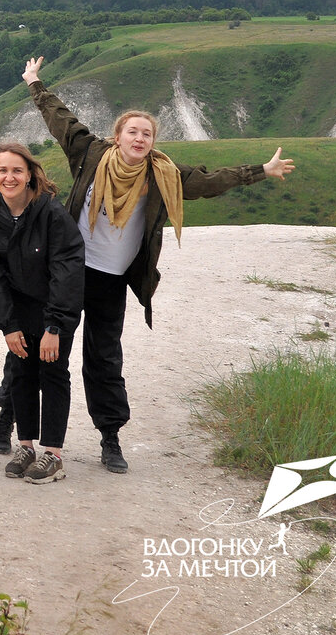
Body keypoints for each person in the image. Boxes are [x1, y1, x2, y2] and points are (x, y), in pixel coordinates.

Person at [20, 55, 295, 473]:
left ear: (152, 141)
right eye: (132, 131)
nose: (140, 138)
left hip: (111, 281)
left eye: (147, 133)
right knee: (47, 348)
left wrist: (261, 170)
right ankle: (15, 417)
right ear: (117, 137)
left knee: (105, 360)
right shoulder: (91, 153)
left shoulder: (163, 174)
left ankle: (110, 438)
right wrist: (35, 83)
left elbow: (209, 181)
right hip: (69, 273)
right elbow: (62, 119)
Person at [0, 143, 84, 485]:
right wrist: (8, 325)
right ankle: (26, 446)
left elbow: (67, 268)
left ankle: (53, 454)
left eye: (16, 171)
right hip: (18, 306)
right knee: (21, 371)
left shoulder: (50, 212)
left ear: (30, 174)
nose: (10, 177)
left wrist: (55, 326)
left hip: (53, 304)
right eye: (2, 171)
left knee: (52, 371)